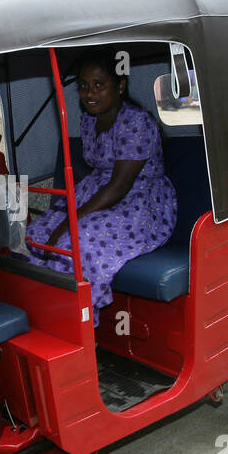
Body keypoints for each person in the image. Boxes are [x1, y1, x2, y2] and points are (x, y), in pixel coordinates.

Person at [23, 56, 177, 323]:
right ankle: (42, 312)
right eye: (83, 86)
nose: (89, 94)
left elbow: (119, 186)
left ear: (119, 86)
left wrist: (68, 223)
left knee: (74, 244)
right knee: (36, 233)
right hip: (98, 192)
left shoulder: (135, 122)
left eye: (99, 85)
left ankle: (74, 325)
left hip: (137, 202)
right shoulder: (88, 119)